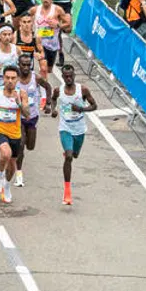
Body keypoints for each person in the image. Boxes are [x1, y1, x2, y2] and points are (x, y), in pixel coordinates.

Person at [50, 63, 97, 206]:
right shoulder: (59, 91)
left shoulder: (82, 90)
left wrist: (81, 109)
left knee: (75, 155)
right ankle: (67, 191)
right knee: (69, 156)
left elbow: (94, 106)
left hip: (79, 129)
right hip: (65, 128)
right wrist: (53, 110)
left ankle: (69, 151)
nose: (69, 78)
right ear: (63, 77)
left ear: (74, 76)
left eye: (71, 76)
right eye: (66, 76)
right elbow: (53, 99)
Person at [0, 64, 29, 205]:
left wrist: (19, 104)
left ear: (18, 79)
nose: (10, 80)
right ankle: (0, 174)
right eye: (7, 77)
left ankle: (7, 187)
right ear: (3, 78)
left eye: (13, 78)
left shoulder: (21, 94)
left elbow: (27, 115)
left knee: (12, 164)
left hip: (15, 134)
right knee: (5, 154)